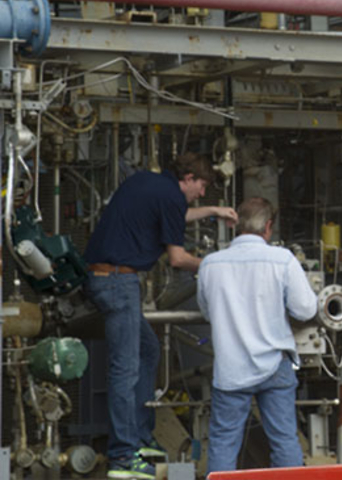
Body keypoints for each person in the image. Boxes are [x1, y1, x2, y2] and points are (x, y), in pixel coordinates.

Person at [84, 153, 238, 479]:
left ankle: (139, 437)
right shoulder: (170, 196)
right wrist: (219, 264)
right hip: (118, 282)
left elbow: (177, 214)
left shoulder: (150, 184)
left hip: (108, 278)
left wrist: (213, 211)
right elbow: (178, 258)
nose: (201, 194)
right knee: (124, 370)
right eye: (202, 188)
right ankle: (124, 457)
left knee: (147, 350)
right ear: (189, 179)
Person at [197, 197, 318, 473]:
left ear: (237, 226)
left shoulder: (210, 264)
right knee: (284, 438)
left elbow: (207, 312)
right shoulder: (282, 259)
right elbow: (306, 308)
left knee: (224, 443)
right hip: (274, 363)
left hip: (230, 368)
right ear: (268, 227)